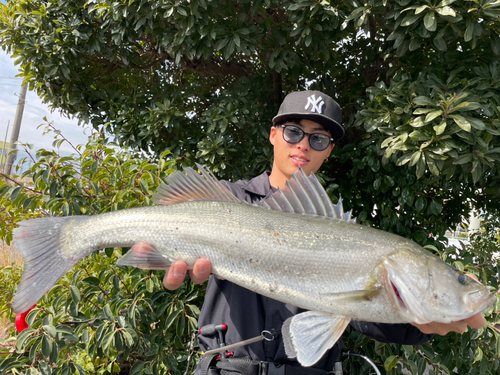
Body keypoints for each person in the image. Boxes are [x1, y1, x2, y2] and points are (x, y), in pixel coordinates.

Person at [138, 90, 486, 374]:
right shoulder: (232, 201)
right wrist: (159, 256)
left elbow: (367, 318)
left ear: (329, 151)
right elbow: (165, 244)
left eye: (318, 139)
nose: (303, 145)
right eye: (293, 132)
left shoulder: (342, 230)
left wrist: (418, 323)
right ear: (274, 135)